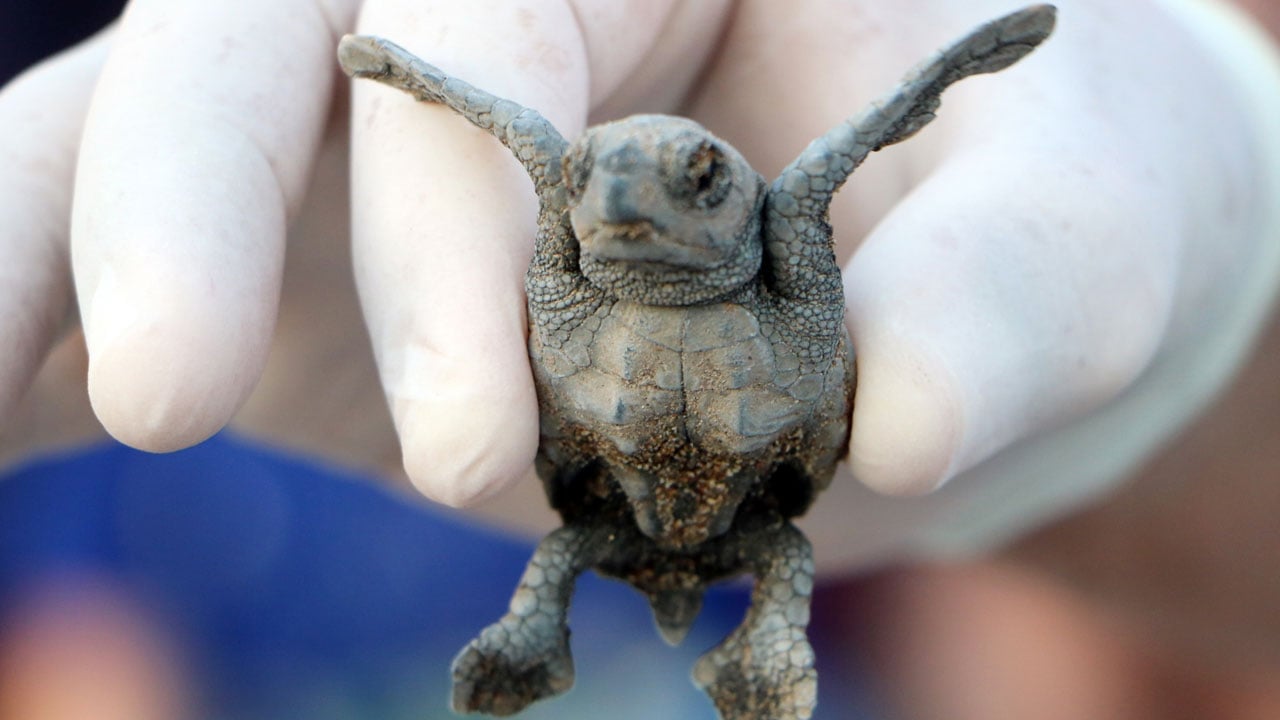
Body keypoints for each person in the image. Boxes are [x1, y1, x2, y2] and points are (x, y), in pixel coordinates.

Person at [0, 0, 1277, 718]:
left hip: (785, 528)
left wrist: (1206, 363)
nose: (618, 197)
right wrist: (399, 74)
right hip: (585, 502)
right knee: (568, 548)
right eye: (598, 181)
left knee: (771, 554)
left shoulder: (792, 241)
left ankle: (756, 652)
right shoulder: (544, 252)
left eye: (683, 178)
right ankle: (538, 641)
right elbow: (77, 655)